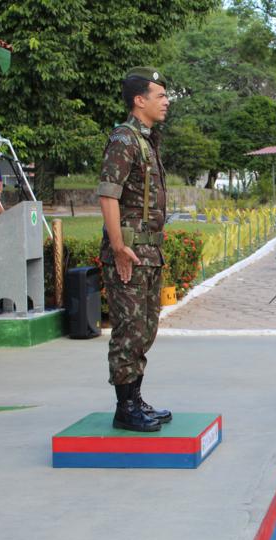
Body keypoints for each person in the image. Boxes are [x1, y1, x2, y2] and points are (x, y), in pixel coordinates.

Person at [97, 67, 172, 432]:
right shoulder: (124, 139)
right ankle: (124, 408)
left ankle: (135, 398)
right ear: (139, 100)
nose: (166, 101)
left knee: (145, 328)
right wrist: (118, 246)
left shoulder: (146, 140)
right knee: (129, 329)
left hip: (148, 253)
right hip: (129, 253)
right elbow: (107, 194)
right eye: (160, 95)